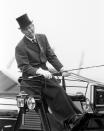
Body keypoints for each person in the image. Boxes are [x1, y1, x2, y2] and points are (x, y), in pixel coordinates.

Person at [15, 13, 84, 131]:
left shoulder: (42, 38)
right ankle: (61, 122)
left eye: (30, 26)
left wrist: (61, 69)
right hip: (31, 83)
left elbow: (51, 56)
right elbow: (24, 67)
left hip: (45, 77)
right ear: (22, 31)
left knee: (59, 91)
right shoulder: (20, 47)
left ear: (33, 25)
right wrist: (39, 71)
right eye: (26, 29)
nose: (30, 30)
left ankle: (72, 118)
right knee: (39, 112)